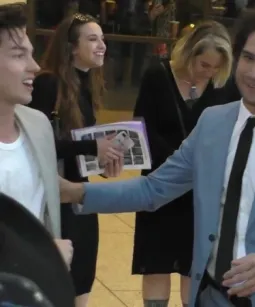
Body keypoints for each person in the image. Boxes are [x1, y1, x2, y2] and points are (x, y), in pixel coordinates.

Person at [61, 10, 255, 307]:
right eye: (249, 58)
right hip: (212, 296)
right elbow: (154, 189)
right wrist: (76, 192)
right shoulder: (213, 123)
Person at [132, 20, 234, 307]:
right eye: (204, 65)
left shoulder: (224, 85)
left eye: (215, 67)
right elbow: (142, 126)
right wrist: (180, 162)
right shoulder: (158, 76)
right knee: (155, 262)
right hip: (160, 182)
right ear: (189, 54)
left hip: (204, 189)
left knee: (194, 262)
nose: (209, 72)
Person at [28, 13, 123, 307]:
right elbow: (40, 143)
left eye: (103, 39)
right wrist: (92, 146)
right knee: (60, 281)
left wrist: (103, 162)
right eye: (92, 39)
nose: (101, 46)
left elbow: (79, 147)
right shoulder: (48, 84)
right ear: (71, 47)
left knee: (82, 279)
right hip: (56, 198)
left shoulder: (87, 84)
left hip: (80, 194)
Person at [0, 0, 73, 268]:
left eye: (31, 54)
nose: (34, 66)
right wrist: (41, 256)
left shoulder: (38, 125)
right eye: (19, 55)